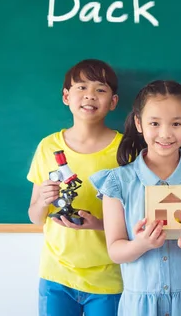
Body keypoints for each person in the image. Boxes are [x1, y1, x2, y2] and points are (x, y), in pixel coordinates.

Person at [90, 80, 181, 316]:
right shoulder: (118, 183)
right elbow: (115, 250)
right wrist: (141, 244)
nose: (165, 134)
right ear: (138, 123)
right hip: (140, 307)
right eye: (154, 123)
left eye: (176, 123)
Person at [27, 59, 123, 316]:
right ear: (66, 96)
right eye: (81, 87)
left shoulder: (127, 151)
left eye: (100, 89)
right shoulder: (48, 147)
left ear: (113, 101)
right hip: (56, 274)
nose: (90, 95)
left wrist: (99, 223)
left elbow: (138, 217)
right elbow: (35, 218)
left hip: (109, 276)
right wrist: (43, 201)